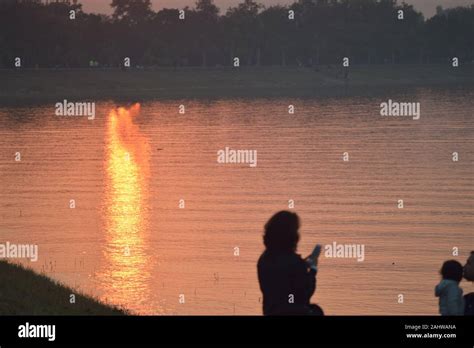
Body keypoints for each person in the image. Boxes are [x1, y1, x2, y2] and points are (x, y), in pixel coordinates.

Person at [257, 211, 323, 315]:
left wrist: (303, 265)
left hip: (271, 311)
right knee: (316, 311)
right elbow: (305, 293)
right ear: (291, 235)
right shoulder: (294, 263)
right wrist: (313, 269)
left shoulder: (264, 259)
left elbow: (282, 275)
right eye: (296, 230)